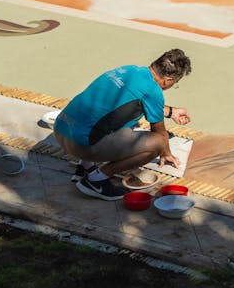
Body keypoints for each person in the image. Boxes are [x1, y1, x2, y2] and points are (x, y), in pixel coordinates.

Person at [54, 48, 192, 201]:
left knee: (123, 118)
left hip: (61, 130)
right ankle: (95, 180)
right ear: (168, 80)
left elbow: (134, 102)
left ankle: (86, 166)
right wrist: (166, 153)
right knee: (158, 143)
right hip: (80, 145)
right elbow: (160, 134)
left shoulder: (128, 69)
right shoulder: (153, 91)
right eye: (175, 83)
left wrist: (171, 112)